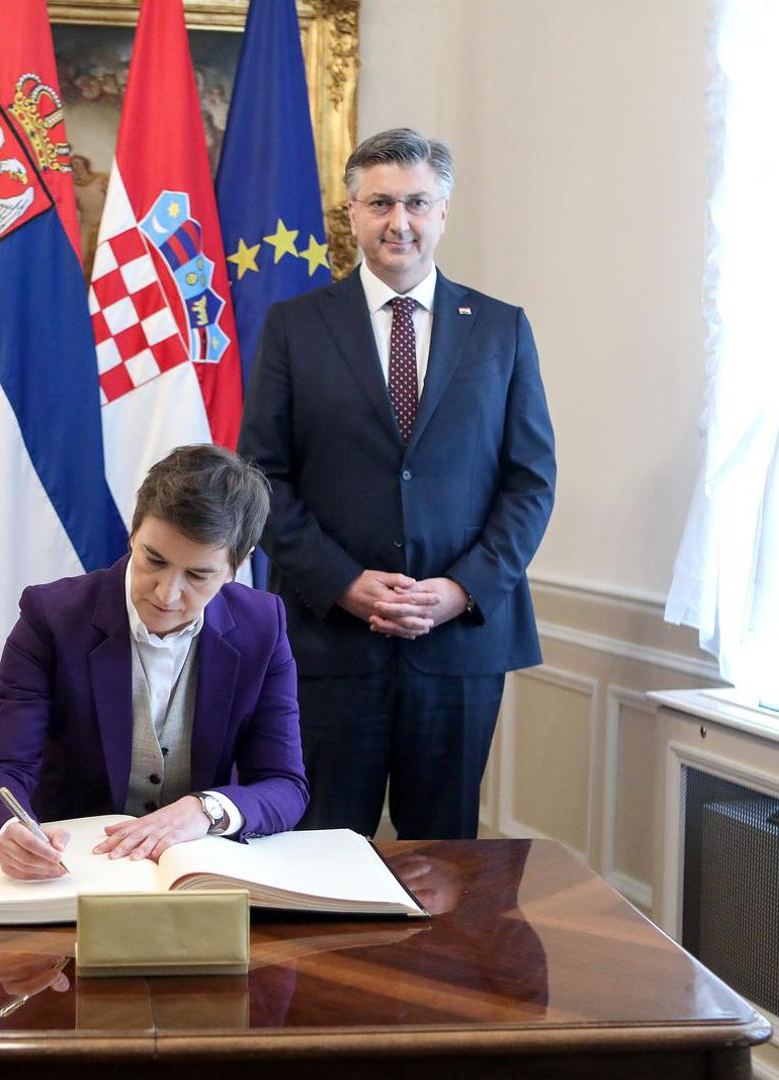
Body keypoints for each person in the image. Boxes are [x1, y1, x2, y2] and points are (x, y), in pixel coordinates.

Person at [238, 127, 556, 839]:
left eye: (417, 202)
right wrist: (343, 582)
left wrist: (462, 589)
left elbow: (530, 482)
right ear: (351, 213)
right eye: (380, 202)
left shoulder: (502, 330)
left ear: (443, 211)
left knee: (444, 864)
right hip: (326, 640)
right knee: (316, 851)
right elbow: (262, 477)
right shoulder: (294, 327)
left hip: (461, 646)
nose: (399, 221)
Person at [0, 444, 309, 880]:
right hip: (72, 872)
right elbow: (2, 767)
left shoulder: (263, 625)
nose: (166, 594)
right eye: (154, 560)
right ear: (134, 534)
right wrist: (9, 829)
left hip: (201, 874)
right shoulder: (50, 617)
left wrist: (205, 809)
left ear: (235, 567)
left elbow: (285, 784)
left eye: (199, 575)